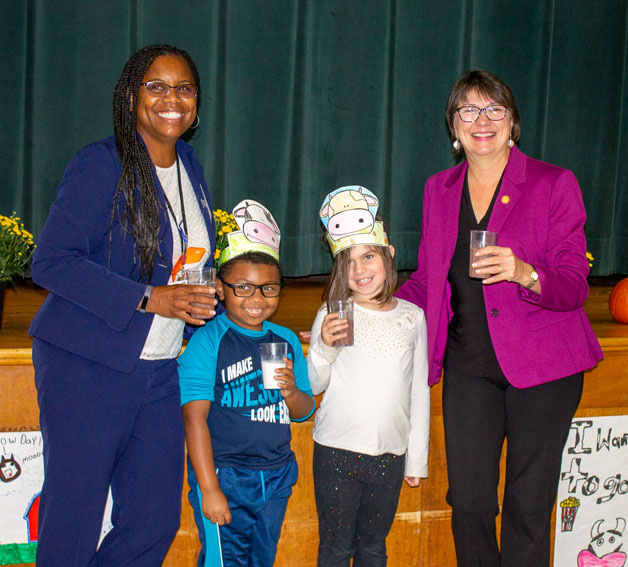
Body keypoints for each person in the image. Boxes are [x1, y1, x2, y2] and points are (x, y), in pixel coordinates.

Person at [395, 70, 602, 567]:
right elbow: (426, 278)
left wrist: (525, 272)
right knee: (468, 504)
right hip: (469, 366)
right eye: (469, 110)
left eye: (495, 110)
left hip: (544, 367)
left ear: (513, 124)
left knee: (527, 508)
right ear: (454, 126)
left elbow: (575, 284)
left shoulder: (554, 183)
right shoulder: (438, 189)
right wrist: (372, 310)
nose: (482, 120)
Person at [29, 45, 217, 566]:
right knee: (75, 515)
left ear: (197, 103)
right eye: (156, 86)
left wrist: (210, 290)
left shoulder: (190, 166)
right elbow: (51, 262)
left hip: (160, 370)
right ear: (130, 96)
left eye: (184, 88)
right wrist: (150, 297)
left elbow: (182, 254)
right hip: (87, 364)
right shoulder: (100, 164)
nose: (171, 98)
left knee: (154, 521)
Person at [179, 200, 315, 567]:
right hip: (227, 475)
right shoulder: (208, 341)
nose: (257, 299)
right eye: (243, 287)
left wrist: (290, 392)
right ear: (220, 290)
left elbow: (304, 412)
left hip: (277, 473)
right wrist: (209, 489)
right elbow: (195, 420)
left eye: (268, 289)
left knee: (261, 560)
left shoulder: (284, 339)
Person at [308, 186, 429, 567]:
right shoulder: (332, 312)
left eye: (368, 256)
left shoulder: (413, 316)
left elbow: (418, 392)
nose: (359, 270)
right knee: (336, 548)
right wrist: (325, 347)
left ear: (388, 255)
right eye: (348, 261)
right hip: (335, 453)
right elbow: (313, 385)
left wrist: (416, 460)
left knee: (373, 548)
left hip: (389, 457)